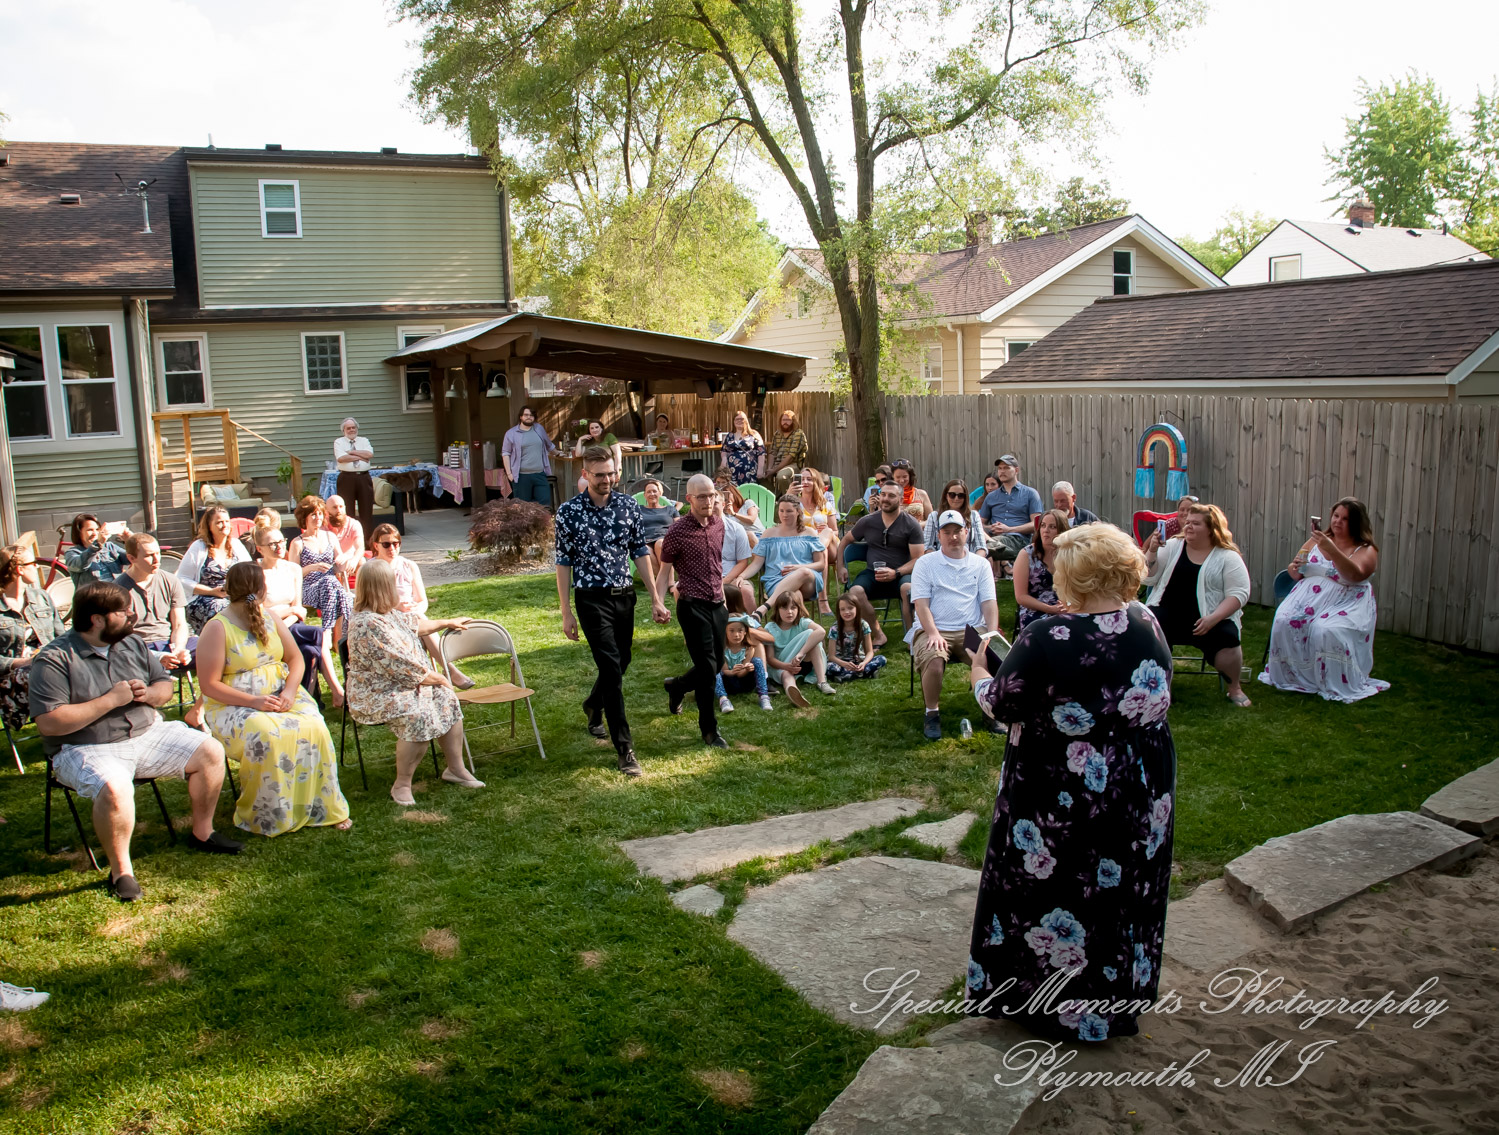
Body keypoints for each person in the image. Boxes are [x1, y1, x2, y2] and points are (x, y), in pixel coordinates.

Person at [964, 522, 1176, 1043]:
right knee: (1121, 888)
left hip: (1060, 785)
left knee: (1053, 888)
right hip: (1138, 781)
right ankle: (1114, 1000)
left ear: (1072, 576)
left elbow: (1002, 702)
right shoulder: (1146, 619)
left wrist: (978, 672)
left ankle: (1043, 1005)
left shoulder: (1046, 634)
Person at [30, 581, 242, 903]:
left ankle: (203, 832)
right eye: (122, 611)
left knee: (209, 750)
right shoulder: (55, 659)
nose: (132, 615)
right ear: (97, 619)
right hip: (84, 746)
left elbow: (163, 686)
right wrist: (109, 700)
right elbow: (50, 722)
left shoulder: (131, 642)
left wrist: (152, 694)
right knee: (114, 789)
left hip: (147, 732)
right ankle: (121, 871)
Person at [197, 563, 351, 837]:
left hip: (280, 692)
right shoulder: (217, 628)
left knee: (314, 726)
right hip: (234, 704)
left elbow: (294, 659)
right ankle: (269, 813)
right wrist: (253, 702)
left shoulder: (270, 618)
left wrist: (291, 691)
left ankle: (318, 806)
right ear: (260, 589)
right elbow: (209, 685)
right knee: (266, 733)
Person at [554, 445, 670, 777]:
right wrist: (566, 611)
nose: (607, 480)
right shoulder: (569, 512)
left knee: (622, 661)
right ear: (585, 474)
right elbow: (563, 564)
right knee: (611, 668)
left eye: (611, 473)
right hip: (590, 598)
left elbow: (639, 552)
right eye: (600, 474)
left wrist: (655, 597)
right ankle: (625, 748)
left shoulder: (628, 506)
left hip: (624, 597)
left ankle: (593, 704)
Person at [347, 560, 485, 804]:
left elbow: (416, 625)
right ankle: (402, 785)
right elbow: (400, 665)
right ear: (382, 587)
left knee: (446, 699)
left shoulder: (388, 614)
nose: (397, 588)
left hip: (404, 684)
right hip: (376, 693)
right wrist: (441, 677)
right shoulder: (367, 623)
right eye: (392, 582)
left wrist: (446, 622)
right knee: (417, 713)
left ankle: (455, 769)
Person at [1260, 497, 1389, 702]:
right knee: (1284, 620)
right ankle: (1294, 677)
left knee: (1325, 629)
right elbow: (1295, 572)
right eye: (1336, 516)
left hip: (1347, 601)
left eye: (1345, 519)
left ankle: (1330, 681)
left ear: (1356, 523)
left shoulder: (1366, 549)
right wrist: (1296, 567)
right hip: (1309, 598)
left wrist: (1331, 550)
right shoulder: (1315, 541)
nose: (1337, 521)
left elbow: (1354, 575)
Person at [1144, 503, 1253, 707]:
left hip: (1210, 616)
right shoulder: (1174, 546)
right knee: (1145, 628)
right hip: (1168, 612)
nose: (1188, 526)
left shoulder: (1227, 556)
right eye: (1187, 522)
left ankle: (1234, 688)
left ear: (1212, 529)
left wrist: (1213, 618)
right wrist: (1151, 551)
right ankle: (1156, 686)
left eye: (1196, 523)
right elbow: (1148, 578)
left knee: (1228, 637)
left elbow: (1239, 594)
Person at [655, 474, 731, 748]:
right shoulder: (676, 532)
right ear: (689, 499)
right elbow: (664, 573)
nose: (708, 501)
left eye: (711, 495)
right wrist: (658, 601)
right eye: (701, 496)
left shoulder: (718, 525)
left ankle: (677, 686)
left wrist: (722, 598)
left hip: (717, 604)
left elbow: (716, 564)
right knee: (707, 668)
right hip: (691, 605)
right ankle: (709, 730)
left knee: (715, 663)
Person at [910, 509, 1000, 741]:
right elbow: (921, 605)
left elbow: (989, 603)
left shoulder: (981, 564)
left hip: (972, 628)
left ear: (967, 533)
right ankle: (932, 713)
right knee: (935, 659)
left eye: (957, 531)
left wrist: (991, 633)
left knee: (996, 655)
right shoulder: (925, 563)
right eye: (947, 532)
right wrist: (933, 632)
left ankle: (991, 710)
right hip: (934, 628)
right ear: (938, 535)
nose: (953, 537)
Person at [367, 523, 472, 688]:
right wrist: (395, 607)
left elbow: (422, 601)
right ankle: (448, 669)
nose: (392, 548)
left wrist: (414, 609)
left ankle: (447, 669)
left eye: (396, 544)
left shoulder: (409, 566)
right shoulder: (369, 569)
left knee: (419, 616)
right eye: (386, 544)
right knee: (419, 620)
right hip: (383, 619)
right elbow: (367, 604)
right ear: (376, 545)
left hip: (410, 615)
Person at [255, 524, 343, 705]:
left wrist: (289, 616)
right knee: (318, 633)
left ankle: (308, 702)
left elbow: (300, 610)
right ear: (259, 549)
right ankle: (338, 692)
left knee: (310, 651)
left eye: (281, 541)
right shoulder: (255, 573)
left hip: (291, 625)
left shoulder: (293, 569)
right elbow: (260, 613)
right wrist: (290, 611)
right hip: (268, 628)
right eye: (272, 544)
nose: (279, 546)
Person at [836, 481, 925, 648]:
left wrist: (896, 572)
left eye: (891, 496)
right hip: (873, 573)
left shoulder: (911, 524)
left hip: (901, 574)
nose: (885, 499)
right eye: (883, 494)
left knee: (908, 590)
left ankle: (912, 639)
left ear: (900, 499)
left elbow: (918, 559)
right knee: (855, 592)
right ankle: (878, 634)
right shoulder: (868, 521)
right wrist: (840, 566)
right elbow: (844, 542)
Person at [0, 544, 63, 734]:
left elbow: (62, 637)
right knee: (45, 674)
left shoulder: (41, 597)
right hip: (11, 676)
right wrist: (24, 662)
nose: (36, 567)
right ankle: (60, 735)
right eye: (33, 563)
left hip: (49, 665)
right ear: (20, 569)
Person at [732, 497, 826, 618]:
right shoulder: (768, 534)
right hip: (777, 580)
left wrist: (798, 567)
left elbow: (820, 564)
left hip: (808, 581)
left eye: (789, 511)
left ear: (798, 511)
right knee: (794, 595)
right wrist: (741, 576)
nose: (784, 515)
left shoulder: (809, 533)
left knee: (804, 572)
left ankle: (764, 608)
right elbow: (756, 563)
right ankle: (800, 632)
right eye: (781, 511)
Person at [288, 496, 354, 651]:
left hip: (330, 587)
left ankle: (329, 633)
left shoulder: (330, 537)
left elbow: (339, 562)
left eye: (320, 514)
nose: (317, 518)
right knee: (336, 590)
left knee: (332, 585)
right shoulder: (298, 543)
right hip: (308, 588)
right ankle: (336, 635)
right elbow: (292, 574)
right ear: (304, 518)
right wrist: (313, 567)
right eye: (313, 514)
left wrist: (347, 560)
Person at [178, 506, 251, 634]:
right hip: (205, 598)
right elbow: (182, 579)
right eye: (219, 522)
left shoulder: (236, 545)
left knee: (254, 606)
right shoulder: (199, 547)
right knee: (222, 608)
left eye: (227, 521)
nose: (224, 525)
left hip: (234, 596)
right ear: (209, 526)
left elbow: (250, 571)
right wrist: (212, 591)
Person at [763, 590, 835, 707]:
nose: (789, 612)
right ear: (777, 610)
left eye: (793, 608)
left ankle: (821, 682)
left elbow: (821, 632)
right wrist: (786, 666)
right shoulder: (770, 628)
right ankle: (793, 690)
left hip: (800, 662)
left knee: (814, 639)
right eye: (784, 608)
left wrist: (801, 653)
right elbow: (770, 659)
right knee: (787, 675)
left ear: (799, 609)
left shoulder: (802, 622)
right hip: (781, 665)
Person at [979, 454, 1043, 575]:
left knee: (982, 546)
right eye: (1000, 468)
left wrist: (1008, 529)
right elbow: (980, 523)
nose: (1002, 471)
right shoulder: (991, 497)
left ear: (1016, 470)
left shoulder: (1030, 494)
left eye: (1006, 468)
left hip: (1019, 540)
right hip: (992, 538)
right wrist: (991, 528)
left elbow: (1037, 524)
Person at [1014, 509, 1069, 633]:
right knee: (1046, 629)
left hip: (1066, 607)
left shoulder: (1069, 553)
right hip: (1035, 609)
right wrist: (1050, 609)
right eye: (1043, 526)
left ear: (1062, 530)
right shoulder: (1026, 554)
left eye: (1052, 527)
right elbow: (1021, 597)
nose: (1046, 530)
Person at [797, 468, 839, 615]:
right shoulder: (795, 504)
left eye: (809, 479)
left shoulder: (825, 504)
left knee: (825, 539)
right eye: (802, 479)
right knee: (822, 550)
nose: (805, 482)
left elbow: (835, 531)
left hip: (830, 546)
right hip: (805, 547)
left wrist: (826, 529)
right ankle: (823, 601)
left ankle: (823, 600)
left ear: (816, 482)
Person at [715, 615, 773, 714]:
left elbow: (740, 674)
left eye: (740, 631)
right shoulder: (721, 649)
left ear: (745, 632)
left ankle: (764, 696)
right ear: (725, 631)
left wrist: (747, 669)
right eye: (732, 631)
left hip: (744, 683)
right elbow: (725, 671)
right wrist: (732, 671)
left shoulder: (749, 649)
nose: (736, 635)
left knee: (757, 661)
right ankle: (723, 699)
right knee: (714, 669)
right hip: (728, 683)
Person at [503, 405, 558, 507]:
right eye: (526, 415)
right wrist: (509, 473)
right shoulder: (511, 433)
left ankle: (542, 523)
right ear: (521, 417)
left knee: (544, 505)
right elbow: (506, 453)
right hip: (522, 476)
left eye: (532, 415)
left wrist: (558, 453)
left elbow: (548, 444)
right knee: (523, 507)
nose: (529, 417)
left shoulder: (539, 428)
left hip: (540, 474)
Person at [826, 595, 887, 682]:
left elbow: (870, 652)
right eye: (842, 609)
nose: (847, 612)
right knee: (829, 667)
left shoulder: (864, 625)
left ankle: (847, 676)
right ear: (838, 611)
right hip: (840, 662)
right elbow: (831, 656)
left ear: (857, 609)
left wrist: (864, 663)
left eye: (850, 608)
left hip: (858, 661)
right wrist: (844, 664)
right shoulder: (835, 628)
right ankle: (865, 674)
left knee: (882, 659)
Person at [333, 417, 377, 537]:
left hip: (364, 478)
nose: (351, 430)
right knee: (347, 512)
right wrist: (362, 456)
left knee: (366, 511)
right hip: (347, 478)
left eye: (353, 427)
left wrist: (351, 452)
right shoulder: (339, 442)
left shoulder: (364, 440)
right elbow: (341, 458)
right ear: (344, 430)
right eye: (349, 428)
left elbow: (369, 454)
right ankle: (349, 539)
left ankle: (367, 541)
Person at [923, 480, 988, 556]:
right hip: (941, 560)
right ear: (946, 496)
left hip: (969, 560)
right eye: (952, 495)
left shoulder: (973, 516)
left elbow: (981, 546)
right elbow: (927, 546)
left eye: (960, 495)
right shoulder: (934, 516)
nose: (956, 498)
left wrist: (974, 563)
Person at [64, 514, 130, 586]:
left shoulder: (110, 546)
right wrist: (97, 545)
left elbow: (132, 558)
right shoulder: (72, 553)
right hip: (93, 595)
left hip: (116, 592)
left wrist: (130, 540)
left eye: (97, 529)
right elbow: (80, 565)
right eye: (90, 530)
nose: (95, 533)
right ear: (79, 533)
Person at [637, 478, 679, 583]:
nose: (652, 494)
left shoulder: (670, 509)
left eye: (654, 491)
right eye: (649, 492)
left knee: (660, 544)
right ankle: (664, 581)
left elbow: (679, 526)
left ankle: (670, 583)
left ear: (660, 493)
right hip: (645, 539)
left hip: (665, 538)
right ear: (644, 495)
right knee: (644, 550)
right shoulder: (638, 509)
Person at [323, 494, 366, 586]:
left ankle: (362, 594)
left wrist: (354, 559)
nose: (339, 510)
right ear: (327, 511)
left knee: (362, 561)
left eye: (341, 507)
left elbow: (360, 548)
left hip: (349, 560)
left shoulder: (354, 524)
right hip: (328, 562)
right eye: (334, 507)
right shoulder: (322, 526)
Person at [764, 409, 808, 495]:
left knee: (782, 476)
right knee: (761, 474)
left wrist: (773, 471)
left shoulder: (798, 433)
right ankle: (775, 497)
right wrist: (769, 468)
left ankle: (791, 498)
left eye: (788, 420)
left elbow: (790, 457)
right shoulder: (777, 434)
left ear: (793, 421)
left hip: (793, 464)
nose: (785, 422)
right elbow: (773, 452)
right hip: (777, 464)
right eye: (783, 420)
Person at [573, 420, 623, 492]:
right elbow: (578, 454)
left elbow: (618, 453)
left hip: (608, 469)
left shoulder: (609, 437)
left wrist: (617, 469)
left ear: (601, 428)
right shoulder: (588, 441)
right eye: (592, 428)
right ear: (589, 430)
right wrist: (580, 439)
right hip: (592, 470)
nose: (594, 430)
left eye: (597, 427)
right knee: (582, 483)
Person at [719, 409, 766, 486]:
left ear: (746, 421)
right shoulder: (729, 436)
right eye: (737, 419)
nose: (739, 421)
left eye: (741, 419)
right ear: (733, 422)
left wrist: (760, 469)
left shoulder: (754, 434)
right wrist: (723, 460)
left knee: (749, 491)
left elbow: (761, 453)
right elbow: (724, 451)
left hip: (750, 470)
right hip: (732, 471)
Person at [714, 471, 763, 537]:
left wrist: (734, 514)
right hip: (740, 538)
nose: (725, 497)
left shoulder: (747, 503)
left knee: (749, 535)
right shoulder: (725, 512)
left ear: (734, 494)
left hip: (757, 534)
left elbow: (752, 520)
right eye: (723, 495)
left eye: (727, 494)